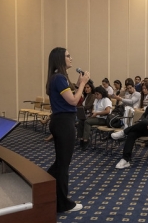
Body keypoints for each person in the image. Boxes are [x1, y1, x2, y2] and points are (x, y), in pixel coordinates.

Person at [46, 47, 90, 212]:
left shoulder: (58, 77)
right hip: (64, 122)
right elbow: (72, 101)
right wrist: (83, 84)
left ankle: (42, 184)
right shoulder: (59, 78)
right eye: (68, 56)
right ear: (60, 59)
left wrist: (78, 85)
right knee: (63, 165)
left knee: (61, 163)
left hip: (61, 121)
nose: (71, 58)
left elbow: (71, 99)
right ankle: (63, 203)